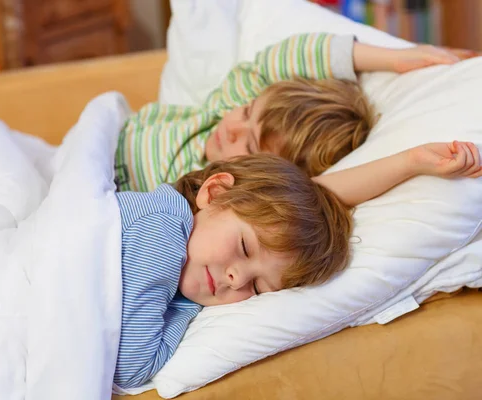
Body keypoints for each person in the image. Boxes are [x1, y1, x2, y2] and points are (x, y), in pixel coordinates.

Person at [113, 140, 482, 388]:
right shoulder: (160, 226)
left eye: (257, 287)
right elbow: (133, 366)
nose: (236, 277)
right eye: (243, 247)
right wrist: (409, 160)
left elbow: (308, 200)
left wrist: (411, 164)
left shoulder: (186, 277)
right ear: (213, 193)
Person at [115, 32, 477, 191]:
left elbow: (319, 190)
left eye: (251, 147)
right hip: (108, 138)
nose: (233, 130)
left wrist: (410, 161)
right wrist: (394, 58)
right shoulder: (221, 109)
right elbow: (286, 56)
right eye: (246, 112)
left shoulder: (211, 189)